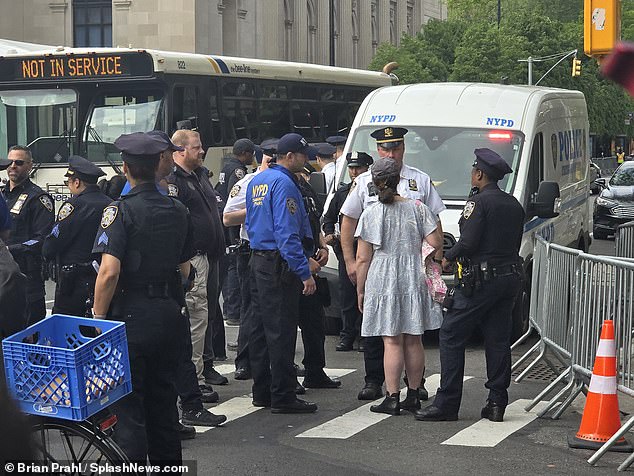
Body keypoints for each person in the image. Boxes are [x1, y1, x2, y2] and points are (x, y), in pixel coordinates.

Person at [91, 132, 195, 469]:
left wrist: (97, 317)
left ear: (125, 168)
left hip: (131, 317)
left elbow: (108, 272)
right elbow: (185, 267)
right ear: (158, 165)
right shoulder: (177, 208)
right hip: (168, 314)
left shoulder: (119, 211)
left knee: (130, 408)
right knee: (164, 404)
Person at [415, 148, 524, 423]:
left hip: (480, 281)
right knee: (497, 340)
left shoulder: (478, 203)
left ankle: (447, 403)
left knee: (451, 334)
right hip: (508, 279)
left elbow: (470, 241)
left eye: (473, 172)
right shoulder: (513, 204)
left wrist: (446, 258)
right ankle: (497, 402)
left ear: (479, 174)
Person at [339, 126, 446, 402]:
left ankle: (392, 396)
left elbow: (364, 256)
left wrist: (360, 287)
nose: (391, 151)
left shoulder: (375, 211)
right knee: (413, 337)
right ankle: (410, 391)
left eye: (395, 146)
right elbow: (435, 239)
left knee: (390, 338)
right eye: (386, 148)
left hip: (382, 273)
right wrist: (427, 257)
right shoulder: (416, 206)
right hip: (412, 271)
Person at [245, 132, 318, 413]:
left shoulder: (259, 180)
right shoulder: (285, 184)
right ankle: (284, 395)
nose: (307, 159)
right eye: (303, 155)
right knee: (282, 331)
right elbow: (287, 233)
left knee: (260, 330)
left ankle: (262, 391)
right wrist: (304, 272)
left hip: (258, 260)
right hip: (278, 263)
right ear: (289, 157)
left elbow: (252, 222)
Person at [167, 130, 228, 399]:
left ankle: (205, 365)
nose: (202, 151)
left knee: (208, 314)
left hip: (211, 255)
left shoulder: (199, 175)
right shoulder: (174, 180)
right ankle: (195, 380)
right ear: (180, 150)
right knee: (195, 315)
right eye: (197, 147)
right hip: (193, 258)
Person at [223, 139, 277, 380]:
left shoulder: (287, 182)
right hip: (253, 250)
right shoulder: (248, 182)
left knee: (278, 313)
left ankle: (276, 360)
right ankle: (244, 361)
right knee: (251, 310)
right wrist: (257, 209)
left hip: (281, 251)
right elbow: (227, 217)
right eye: (269, 159)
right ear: (261, 158)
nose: (273, 163)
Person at [41, 156, 111, 317]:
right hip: (102, 277)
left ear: (77, 182)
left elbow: (52, 244)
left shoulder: (74, 205)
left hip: (73, 282)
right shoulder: (111, 203)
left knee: (67, 328)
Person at [295, 160, 341, 389]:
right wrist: (305, 261)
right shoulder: (284, 189)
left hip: (312, 257)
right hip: (294, 264)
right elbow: (288, 232)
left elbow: (315, 222)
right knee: (286, 325)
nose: (304, 176)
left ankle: (315, 370)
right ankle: (287, 377)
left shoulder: (306, 190)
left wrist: (323, 246)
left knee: (314, 322)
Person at [323, 151, 373, 352]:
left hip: (368, 249)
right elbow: (328, 218)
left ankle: (363, 335)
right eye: (351, 168)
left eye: (358, 168)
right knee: (347, 295)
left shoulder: (373, 190)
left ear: (367, 168)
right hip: (347, 250)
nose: (354, 172)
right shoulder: (342, 193)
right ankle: (346, 334)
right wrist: (329, 234)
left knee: (367, 292)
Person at [3, 145, 54, 324]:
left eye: (19, 162)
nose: (13, 166)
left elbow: (43, 239)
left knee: (30, 336)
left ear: (30, 166)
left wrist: (9, 249)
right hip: (3, 277)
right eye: (10, 162)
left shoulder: (38, 198)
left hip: (27, 278)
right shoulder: (2, 195)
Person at [216, 138, 256, 327]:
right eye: (251, 154)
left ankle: (230, 310)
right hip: (232, 224)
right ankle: (233, 311)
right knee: (233, 266)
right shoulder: (238, 171)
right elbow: (236, 196)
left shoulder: (227, 166)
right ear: (246, 153)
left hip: (227, 220)